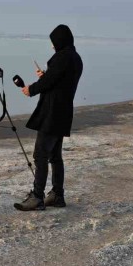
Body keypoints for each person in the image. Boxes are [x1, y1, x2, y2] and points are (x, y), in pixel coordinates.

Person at [14, 24, 83, 211]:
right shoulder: (75, 58)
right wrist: (46, 75)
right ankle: (57, 195)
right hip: (63, 112)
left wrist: (31, 89)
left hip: (52, 113)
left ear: (60, 40)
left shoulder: (62, 57)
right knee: (55, 156)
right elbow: (58, 80)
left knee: (41, 154)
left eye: (54, 42)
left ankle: (37, 197)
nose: (52, 46)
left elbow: (51, 81)